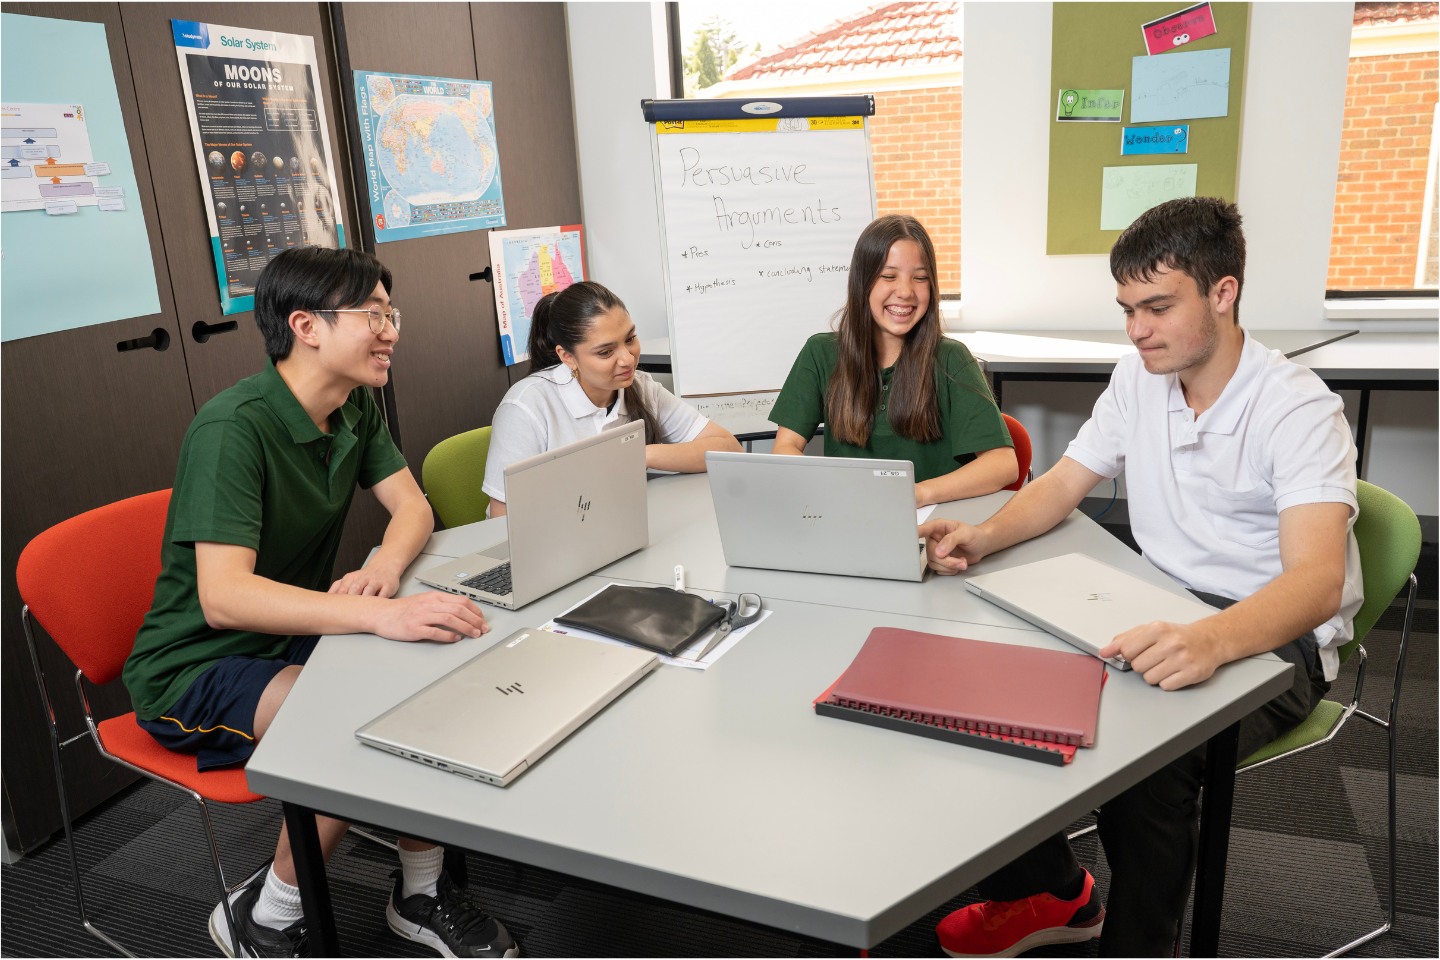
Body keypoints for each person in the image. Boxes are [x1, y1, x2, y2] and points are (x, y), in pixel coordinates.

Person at [921, 197, 1362, 958]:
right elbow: (1062, 482)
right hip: (1154, 601)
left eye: (1158, 307)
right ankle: (1055, 893)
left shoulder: (1298, 410)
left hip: (1271, 634)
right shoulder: (1139, 379)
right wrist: (984, 535)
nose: (1137, 329)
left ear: (1223, 292)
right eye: (1127, 308)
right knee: (983, 686)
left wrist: (1215, 639)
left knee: (1148, 771)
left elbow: (1318, 583)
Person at [122, 247, 519, 959]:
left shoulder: (354, 406)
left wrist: (388, 571)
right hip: (194, 665)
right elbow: (223, 598)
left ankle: (420, 892)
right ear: (305, 325)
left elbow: (412, 511)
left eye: (391, 313)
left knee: (424, 684)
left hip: (287, 633)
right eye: (373, 315)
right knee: (352, 720)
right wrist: (378, 614)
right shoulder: (233, 428)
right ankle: (265, 913)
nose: (391, 329)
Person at [768, 214, 1018, 506]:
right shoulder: (821, 352)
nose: (905, 291)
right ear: (863, 282)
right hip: (847, 517)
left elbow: (1002, 463)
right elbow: (785, 446)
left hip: (929, 524)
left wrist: (916, 494)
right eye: (889, 276)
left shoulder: (951, 358)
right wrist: (830, 490)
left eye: (920, 278)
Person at [482, 280, 741, 516]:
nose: (628, 359)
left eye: (630, 339)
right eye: (606, 352)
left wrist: (640, 455)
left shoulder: (641, 387)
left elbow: (727, 448)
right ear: (567, 356)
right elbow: (502, 516)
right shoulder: (526, 406)